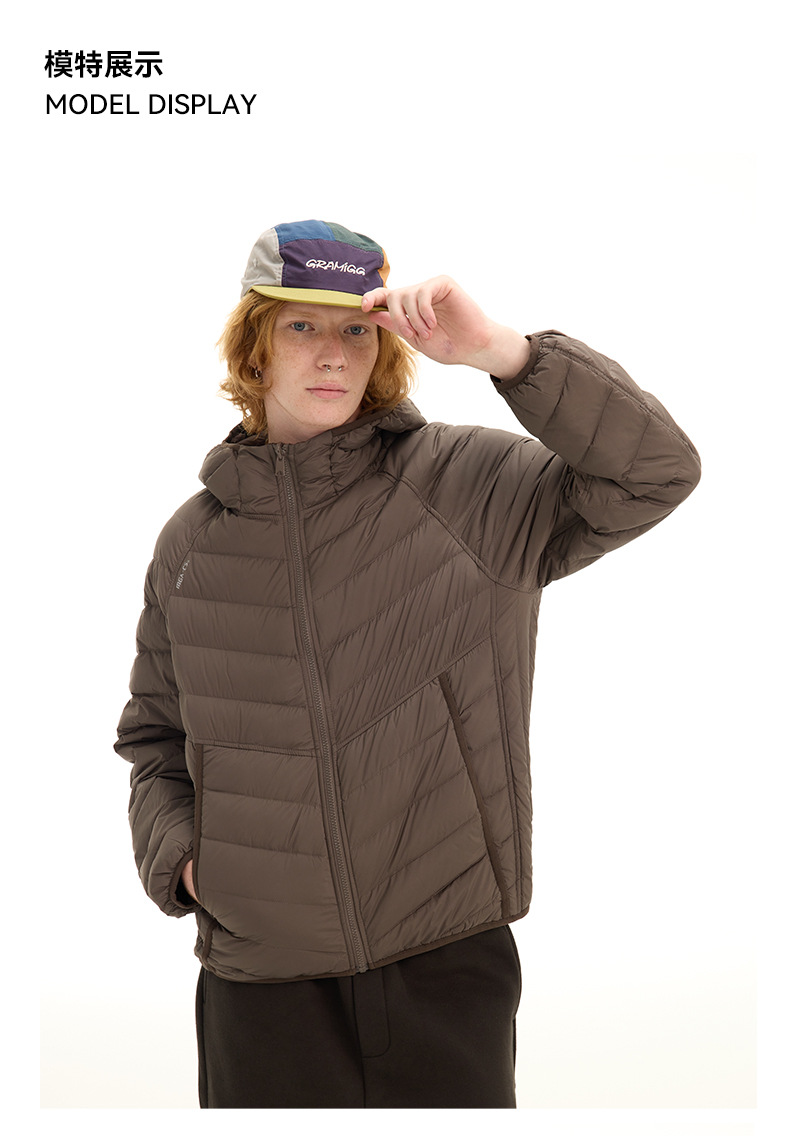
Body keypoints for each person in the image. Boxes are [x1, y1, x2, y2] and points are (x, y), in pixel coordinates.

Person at [115, 219, 701, 1109]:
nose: (332, 353)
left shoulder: (468, 484)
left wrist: (507, 354)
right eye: (301, 325)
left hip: (444, 965)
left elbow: (656, 472)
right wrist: (193, 867)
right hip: (259, 986)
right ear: (254, 344)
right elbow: (154, 738)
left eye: (357, 329)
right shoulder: (193, 543)